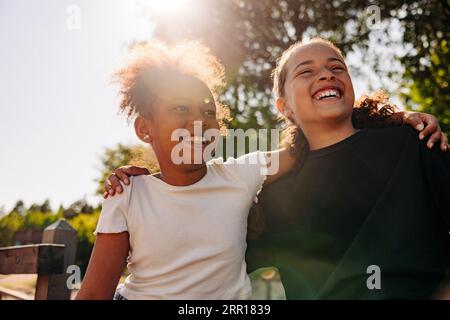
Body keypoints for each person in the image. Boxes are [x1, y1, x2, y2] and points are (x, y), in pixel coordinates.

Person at [101, 39, 449, 300]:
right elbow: (205, 263)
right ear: (283, 106)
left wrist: (399, 117)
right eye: (306, 71)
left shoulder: (414, 143)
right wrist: (150, 184)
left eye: (337, 66)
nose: (326, 73)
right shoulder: (273, 195)